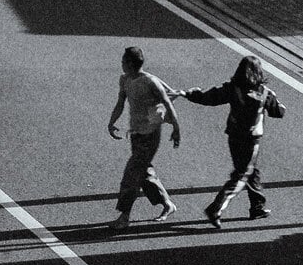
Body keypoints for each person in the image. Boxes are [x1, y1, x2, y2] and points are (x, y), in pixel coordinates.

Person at [178, 56, 284, 227]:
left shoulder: (232, 89)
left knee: (250, 170)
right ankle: (216, 208)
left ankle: (257, 206)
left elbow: (210, 97)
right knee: (243, 174)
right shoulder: (264, 93)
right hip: (252, 140)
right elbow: (279, 112)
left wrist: (191, 94)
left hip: (234, 136)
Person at [107, 46, 180, 228]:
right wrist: (111, 122)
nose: (121, 64)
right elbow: (120, 103)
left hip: (150, 136)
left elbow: (169, 100)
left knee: (131, 174)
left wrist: (175, 127)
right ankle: (167, 203)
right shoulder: (125, 80)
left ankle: (124, 217)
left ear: (130, 64)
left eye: (123, 61)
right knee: (143, 172)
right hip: (136, 134)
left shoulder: (150, 81)